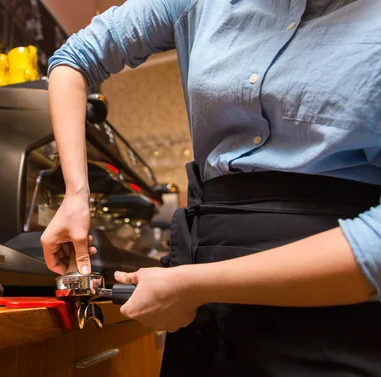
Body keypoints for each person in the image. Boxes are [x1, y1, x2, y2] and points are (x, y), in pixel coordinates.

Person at [40, 0, 381, 376]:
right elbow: (74, 58)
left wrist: (194, 285)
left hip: (337, 303)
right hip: (204, 297)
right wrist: (76, 194)